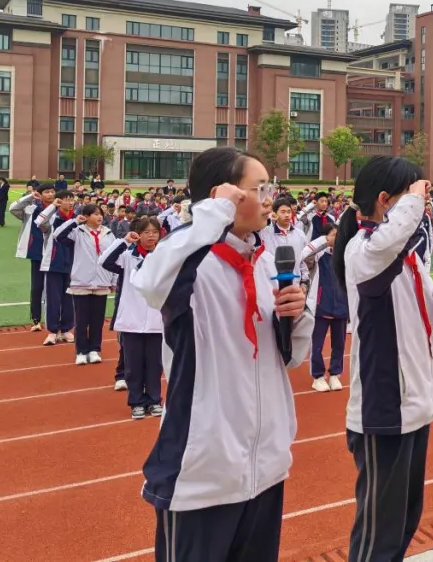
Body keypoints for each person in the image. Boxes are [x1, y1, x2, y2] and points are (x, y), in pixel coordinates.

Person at [131, 147, 313, 562]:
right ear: (223, 195)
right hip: (204, 473)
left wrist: (298, 316)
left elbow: (288, 359)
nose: (270, 199)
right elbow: (150, 282)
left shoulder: (265, 262)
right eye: (259, 188)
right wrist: (212, 214)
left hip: (264, 469)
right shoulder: (190, 263)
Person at [331, 157, 433, 562]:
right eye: (410, 196)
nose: (420, 204)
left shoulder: (405, 259)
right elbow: (387, 241)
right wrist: (413, 201)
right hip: (383, 411)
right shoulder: (363, 251)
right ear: (383, 201)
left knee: (405, 521)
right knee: (378, 534)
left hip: (414, 406)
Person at [100, 216, 164, 418]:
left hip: (157, 320)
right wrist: (124, 240)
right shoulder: (127, 257)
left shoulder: (164, 257)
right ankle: (136, 401)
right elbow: (104, 261)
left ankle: (154, 400)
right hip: (132, 320)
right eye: (146, 232)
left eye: (154, 232)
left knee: (155, 364)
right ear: (138, 234)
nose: (151, 236)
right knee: (133, 365)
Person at [55, 203, 117, 365]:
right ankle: (81, 351)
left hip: (102, 282)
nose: (99, 216)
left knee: (98, 320)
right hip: (81, 282)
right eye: (95, 214)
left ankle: (95, 349)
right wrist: (75, 221)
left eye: (100, 213)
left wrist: (114, 280)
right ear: (86, 216)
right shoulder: (78, 232)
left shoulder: (109, 234)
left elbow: (116, 256)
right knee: (81, 320)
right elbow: (57, 235)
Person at [302, 220, 348, 392]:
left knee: (339, 344)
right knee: (317, 344)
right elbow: (304, 254)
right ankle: (318, 376)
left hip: (341, 306)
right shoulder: (319, 256)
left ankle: (335, 374)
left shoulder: (344, 256)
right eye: (333, 235)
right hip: (321, 306)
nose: (336, 239)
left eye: (338, 235)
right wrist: (323, 241)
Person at [11, 183, 56, 332]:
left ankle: (59, 320)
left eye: (52, 191)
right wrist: (31, 196)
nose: (50, 194)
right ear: (40, 194)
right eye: (47, 192)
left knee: (56, 288)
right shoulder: (31, 210)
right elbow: (13, 209)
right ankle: (36, 319)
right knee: (37, 287)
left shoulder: (60, 210)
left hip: (55, 254)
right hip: (37, 253)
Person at [36, 190, 77, 345]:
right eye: (67, 199)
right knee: (52, 299)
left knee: (69, 299)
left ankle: (66, 329)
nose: (70, 202)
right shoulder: (52, 218)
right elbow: (39, 222)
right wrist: (53, 206)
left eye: (72, 199)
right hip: (53, 264)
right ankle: (53, 331)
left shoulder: (77, 219)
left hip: (72, 264)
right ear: (59, 201)